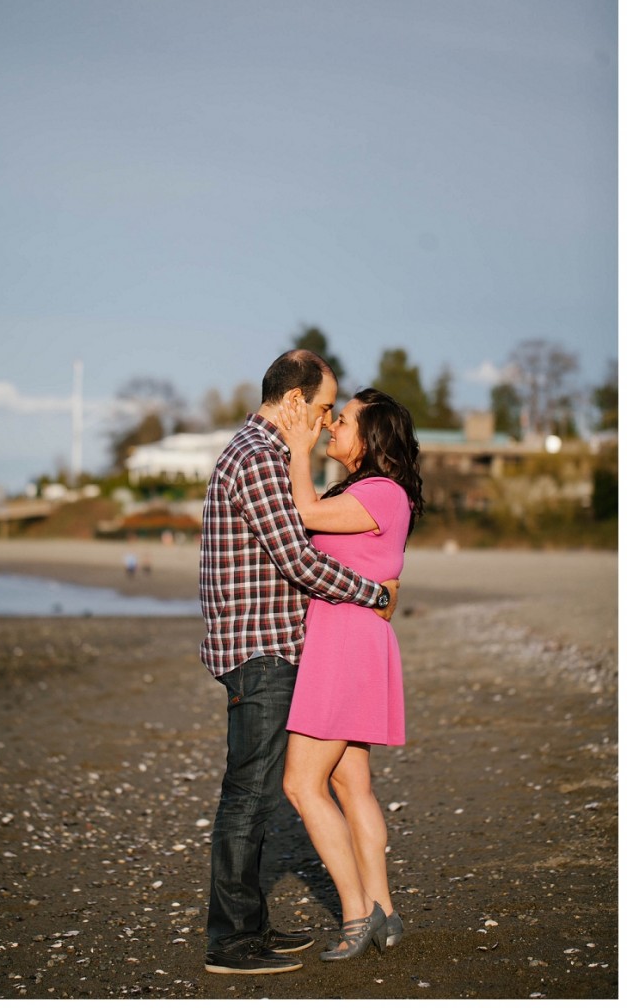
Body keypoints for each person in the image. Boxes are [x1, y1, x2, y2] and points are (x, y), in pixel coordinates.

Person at [199, 351, 400, 976]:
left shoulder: (261, 454)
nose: (324, 420)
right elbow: (298, 558)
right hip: (261, 648)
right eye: (318, 408)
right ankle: (234, 940)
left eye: (333, 414)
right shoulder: (261, 458)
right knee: (253, 794)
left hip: (283, 645)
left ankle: (253, 928)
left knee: (268, 792)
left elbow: (308, 542)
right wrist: (377, 594)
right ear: (292, 402)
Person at [276, 387, 424, 962]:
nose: (332, 425)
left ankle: (356, 915)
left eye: (343, 420)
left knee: (300, 784)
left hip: (345, 645)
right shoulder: (375, 494)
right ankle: (383, 911)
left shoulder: (382, 492)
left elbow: (305, 513)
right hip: (352, 642)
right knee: (348, 784)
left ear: (373, 437)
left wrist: (297, 444)